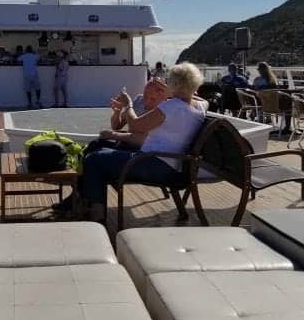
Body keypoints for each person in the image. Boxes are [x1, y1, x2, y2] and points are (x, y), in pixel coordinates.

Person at [77, 63, 207, 223]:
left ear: (172, 84)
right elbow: (197, 98)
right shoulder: (201, 107)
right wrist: (176, 90)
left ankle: (97, 216)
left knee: (94, 159)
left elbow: (135, 125)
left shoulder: (171, 106)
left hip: (155, 164)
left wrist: (128, 105)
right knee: (98, 149)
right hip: (171, 164)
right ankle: (83, 202)